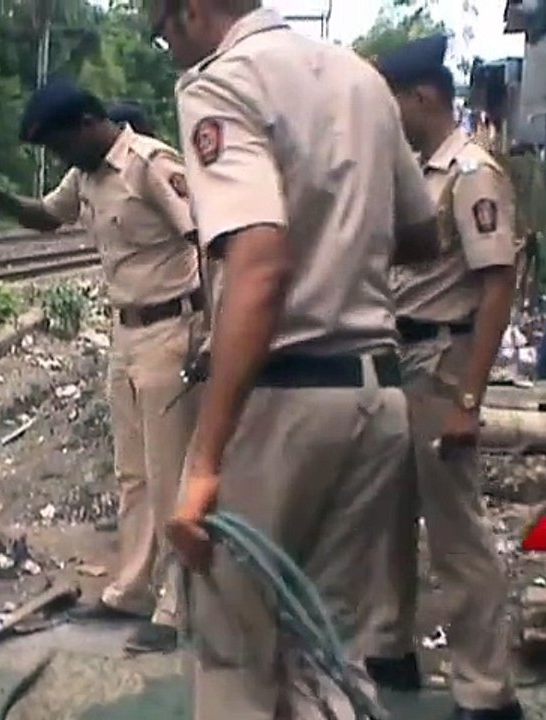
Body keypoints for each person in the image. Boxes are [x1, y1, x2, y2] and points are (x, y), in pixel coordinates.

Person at [147, 0, 440, 717]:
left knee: (233, 653)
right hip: (374, 399)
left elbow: (261, 263)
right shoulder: (363, 81)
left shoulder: (221, 82)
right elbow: (421, 236)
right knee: (326, 654)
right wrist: (339, 245)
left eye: (161, 31)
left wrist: (205, 461)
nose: (167, 48)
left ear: (190, 11)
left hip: (283, 402)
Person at [0, 78, 204, 654]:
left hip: (172, 329)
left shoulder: (149, 164)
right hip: (126, 333)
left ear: (87, 125)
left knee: (170, 475)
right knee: (133, 474)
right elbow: (48, 216)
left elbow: (206, 241)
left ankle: (178, 607)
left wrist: (214, 332)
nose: (59, 158)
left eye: (59, 145)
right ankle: (134, 588)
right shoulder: (85, 175)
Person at [364, 34, 524, 720]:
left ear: (422, 97)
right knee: (388, 519)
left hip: (441, 364)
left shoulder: (471, 173)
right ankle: (389, 647)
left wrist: (468, 398)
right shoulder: (418, 171)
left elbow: (497, 285)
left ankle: (485, 691)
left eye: (392, 102)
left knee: (457, 535)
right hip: (401, 360)